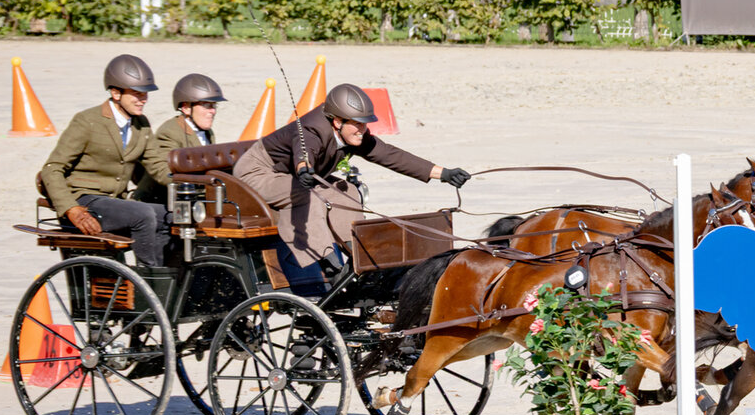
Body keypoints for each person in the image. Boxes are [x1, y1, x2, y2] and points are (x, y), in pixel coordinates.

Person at [232, 83, 470, 272]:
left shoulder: (352, 134)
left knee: (347, 190)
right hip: (258, 172)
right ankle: (322, 259)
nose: (362, 130)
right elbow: (304, 152)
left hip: (293, 172)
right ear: (337, 122)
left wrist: (443, 173)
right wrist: (304, 169)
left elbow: (389, 155)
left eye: (365, 124)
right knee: (307, 194)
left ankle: (357, 254)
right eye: (357, 124)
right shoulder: (311, 130)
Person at [40, 55, 173, 268]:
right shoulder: (87, 121)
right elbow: (52, 169)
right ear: (115, 93)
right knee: (143, 214)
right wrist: (70, 209)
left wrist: (188, 184)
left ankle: (165, 277)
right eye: (136, 94)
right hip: (85, 201)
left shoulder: (141, 124)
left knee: (169, 215)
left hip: (115, 202)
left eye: (145, 93)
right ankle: (149, 279)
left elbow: (157, 166)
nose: (143, 99)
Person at [137, 73, 226, 198]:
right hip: (160, 200)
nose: (213, 111)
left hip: (193, 197)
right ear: (186, 108)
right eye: (207, 105)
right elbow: (165, 174)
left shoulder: (207, 132)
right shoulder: (169, 133)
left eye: (214, 106)